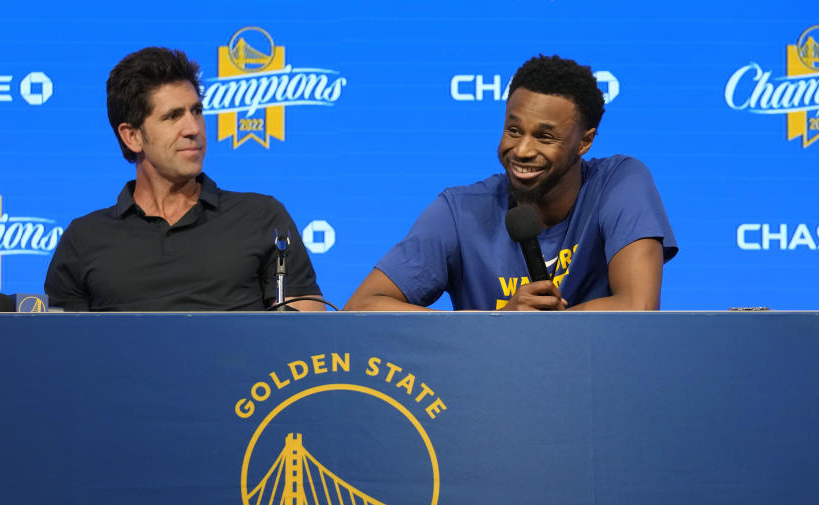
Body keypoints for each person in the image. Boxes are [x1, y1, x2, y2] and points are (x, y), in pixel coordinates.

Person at [344, 54, 677, 311]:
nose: (521, 150)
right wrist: (500, 320)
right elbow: (361, 306)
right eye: (513, 130)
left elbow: (638, 306)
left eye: (544, 136)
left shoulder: (620, 182)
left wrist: (546, 325)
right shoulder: (461, 212)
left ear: (585, 142)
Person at [44, 47, 323, 311]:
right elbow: (63, 350)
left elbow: (304, 339)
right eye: (172, 116)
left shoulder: (261, 218)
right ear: (133, 136)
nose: (193, 128)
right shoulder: (84, 240)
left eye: (197, 111)